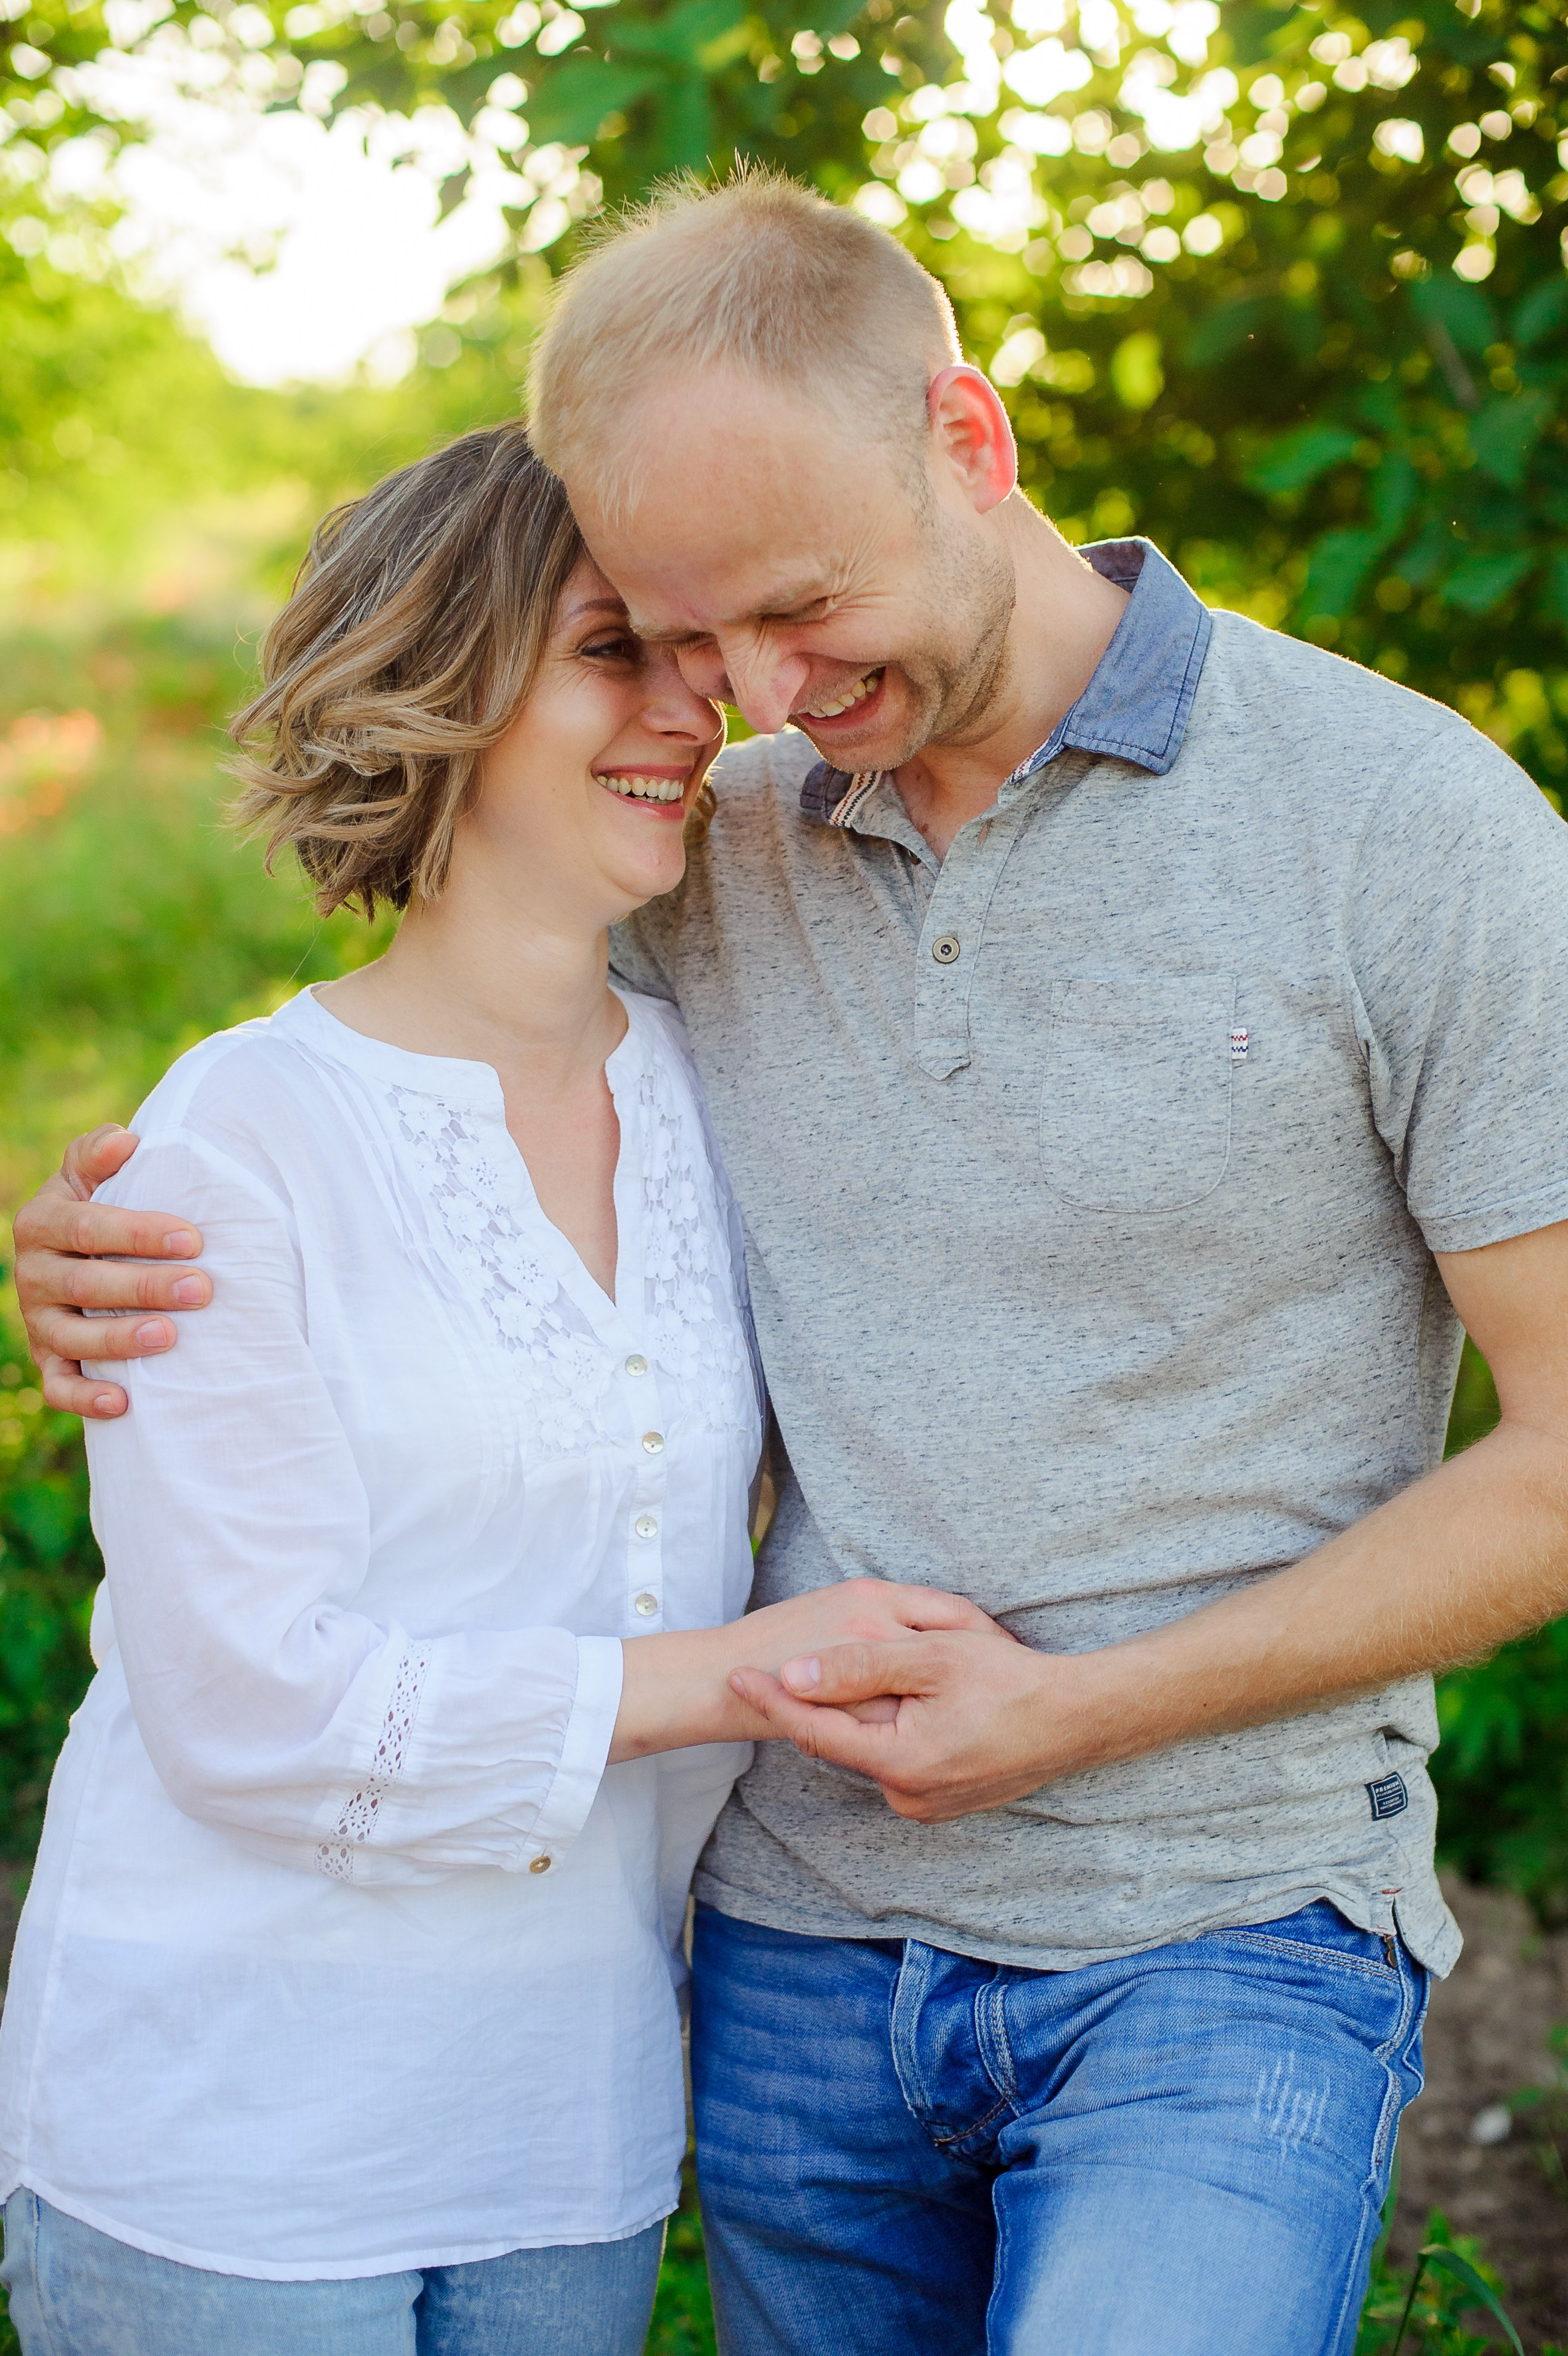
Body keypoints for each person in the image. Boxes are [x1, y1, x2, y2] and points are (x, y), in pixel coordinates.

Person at [17, 174, 1568, 2355]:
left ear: (973, 441)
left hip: (1219, 1920)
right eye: (677, 632)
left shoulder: (1408, 835)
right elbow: (423, 1024)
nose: (746, 691)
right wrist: (113, 1246)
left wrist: (1079, 1715)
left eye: (794, 606)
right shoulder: (733, 833)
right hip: (797, 1942)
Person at [0, 420, 993, 2356]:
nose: (691, 710)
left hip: (571, 2123)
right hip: (232, 2129)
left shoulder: (720, 1097)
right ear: (444, 687)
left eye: (694, 659)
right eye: (612, 649)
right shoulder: (242, 1140)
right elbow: (251, 1710)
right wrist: (737, 1679)